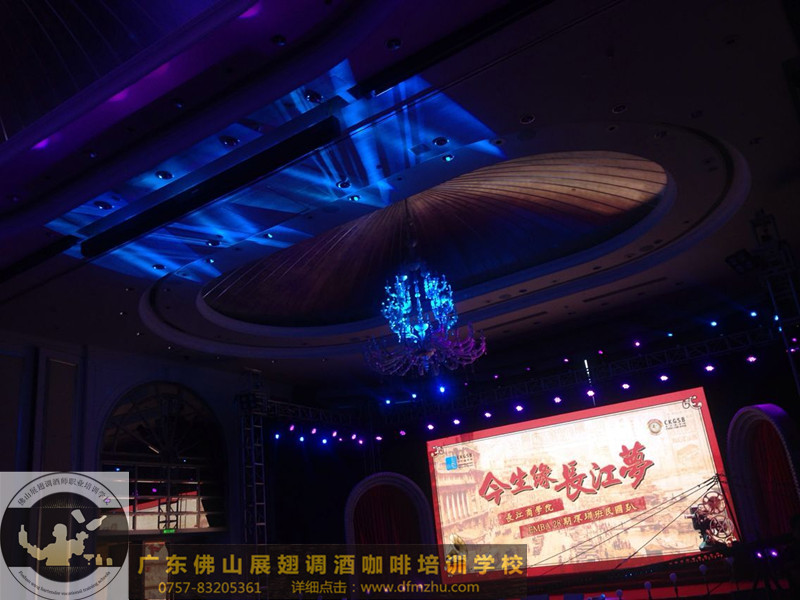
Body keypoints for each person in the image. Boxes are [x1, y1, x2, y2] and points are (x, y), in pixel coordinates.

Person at [18, 524, 88, 566]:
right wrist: (80, 539)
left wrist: (27, 545)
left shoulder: (52, 547)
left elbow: (40, 555)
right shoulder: (68, 544)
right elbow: (40, 555)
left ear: (54, 533)